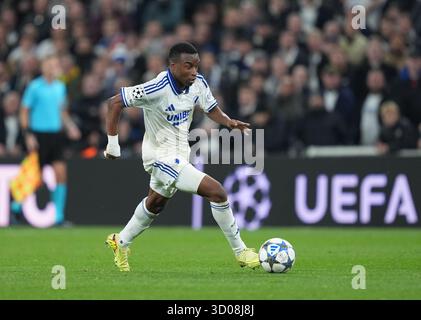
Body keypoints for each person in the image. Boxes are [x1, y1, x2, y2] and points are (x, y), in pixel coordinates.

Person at [104, 42, 259, 271]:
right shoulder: (156, 87)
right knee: (218, 193)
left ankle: (120, 241)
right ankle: (241, 252)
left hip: (179, 153)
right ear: (173, 65)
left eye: (196, 66)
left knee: (155, 204)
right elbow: (114, 102)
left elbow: (210, 107)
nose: (194, 71)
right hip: (159, 156)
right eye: (188, 66)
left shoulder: (198, 84)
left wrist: (228, 122)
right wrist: (112, 144)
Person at [20, 55, 81, 225]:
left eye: (56, 64)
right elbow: (24, 111)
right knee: (34, 175)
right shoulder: (34, 86)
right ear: (43, 67)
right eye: (51, 64)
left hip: (56, 136)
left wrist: (70, 126)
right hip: (39, 135)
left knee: (61, 174)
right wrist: (28, 134)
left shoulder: (60, 87)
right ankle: (17, 206)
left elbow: (62, 112)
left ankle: (58, 217)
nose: (54, 67)